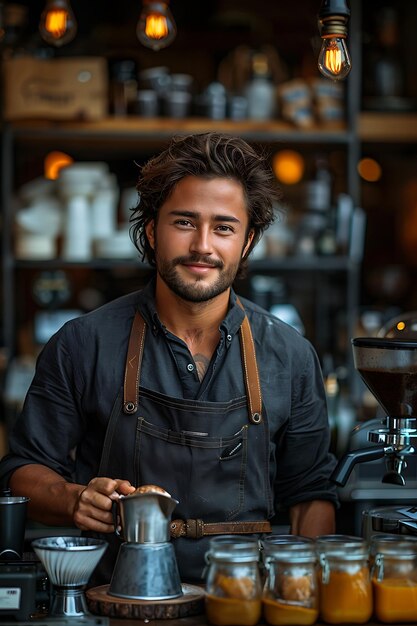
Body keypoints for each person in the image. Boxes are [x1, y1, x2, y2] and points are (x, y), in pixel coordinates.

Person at [0, 132, 338, 583]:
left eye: (223, 227)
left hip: (242, 602)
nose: (203, 245)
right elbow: (21, 471)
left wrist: (300, 589)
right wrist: (72, 498)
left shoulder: (291, 355)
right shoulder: (83, 342)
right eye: (184, 222)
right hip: (115, 600)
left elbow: (312, 494)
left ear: (248, 240)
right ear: (151, 230)